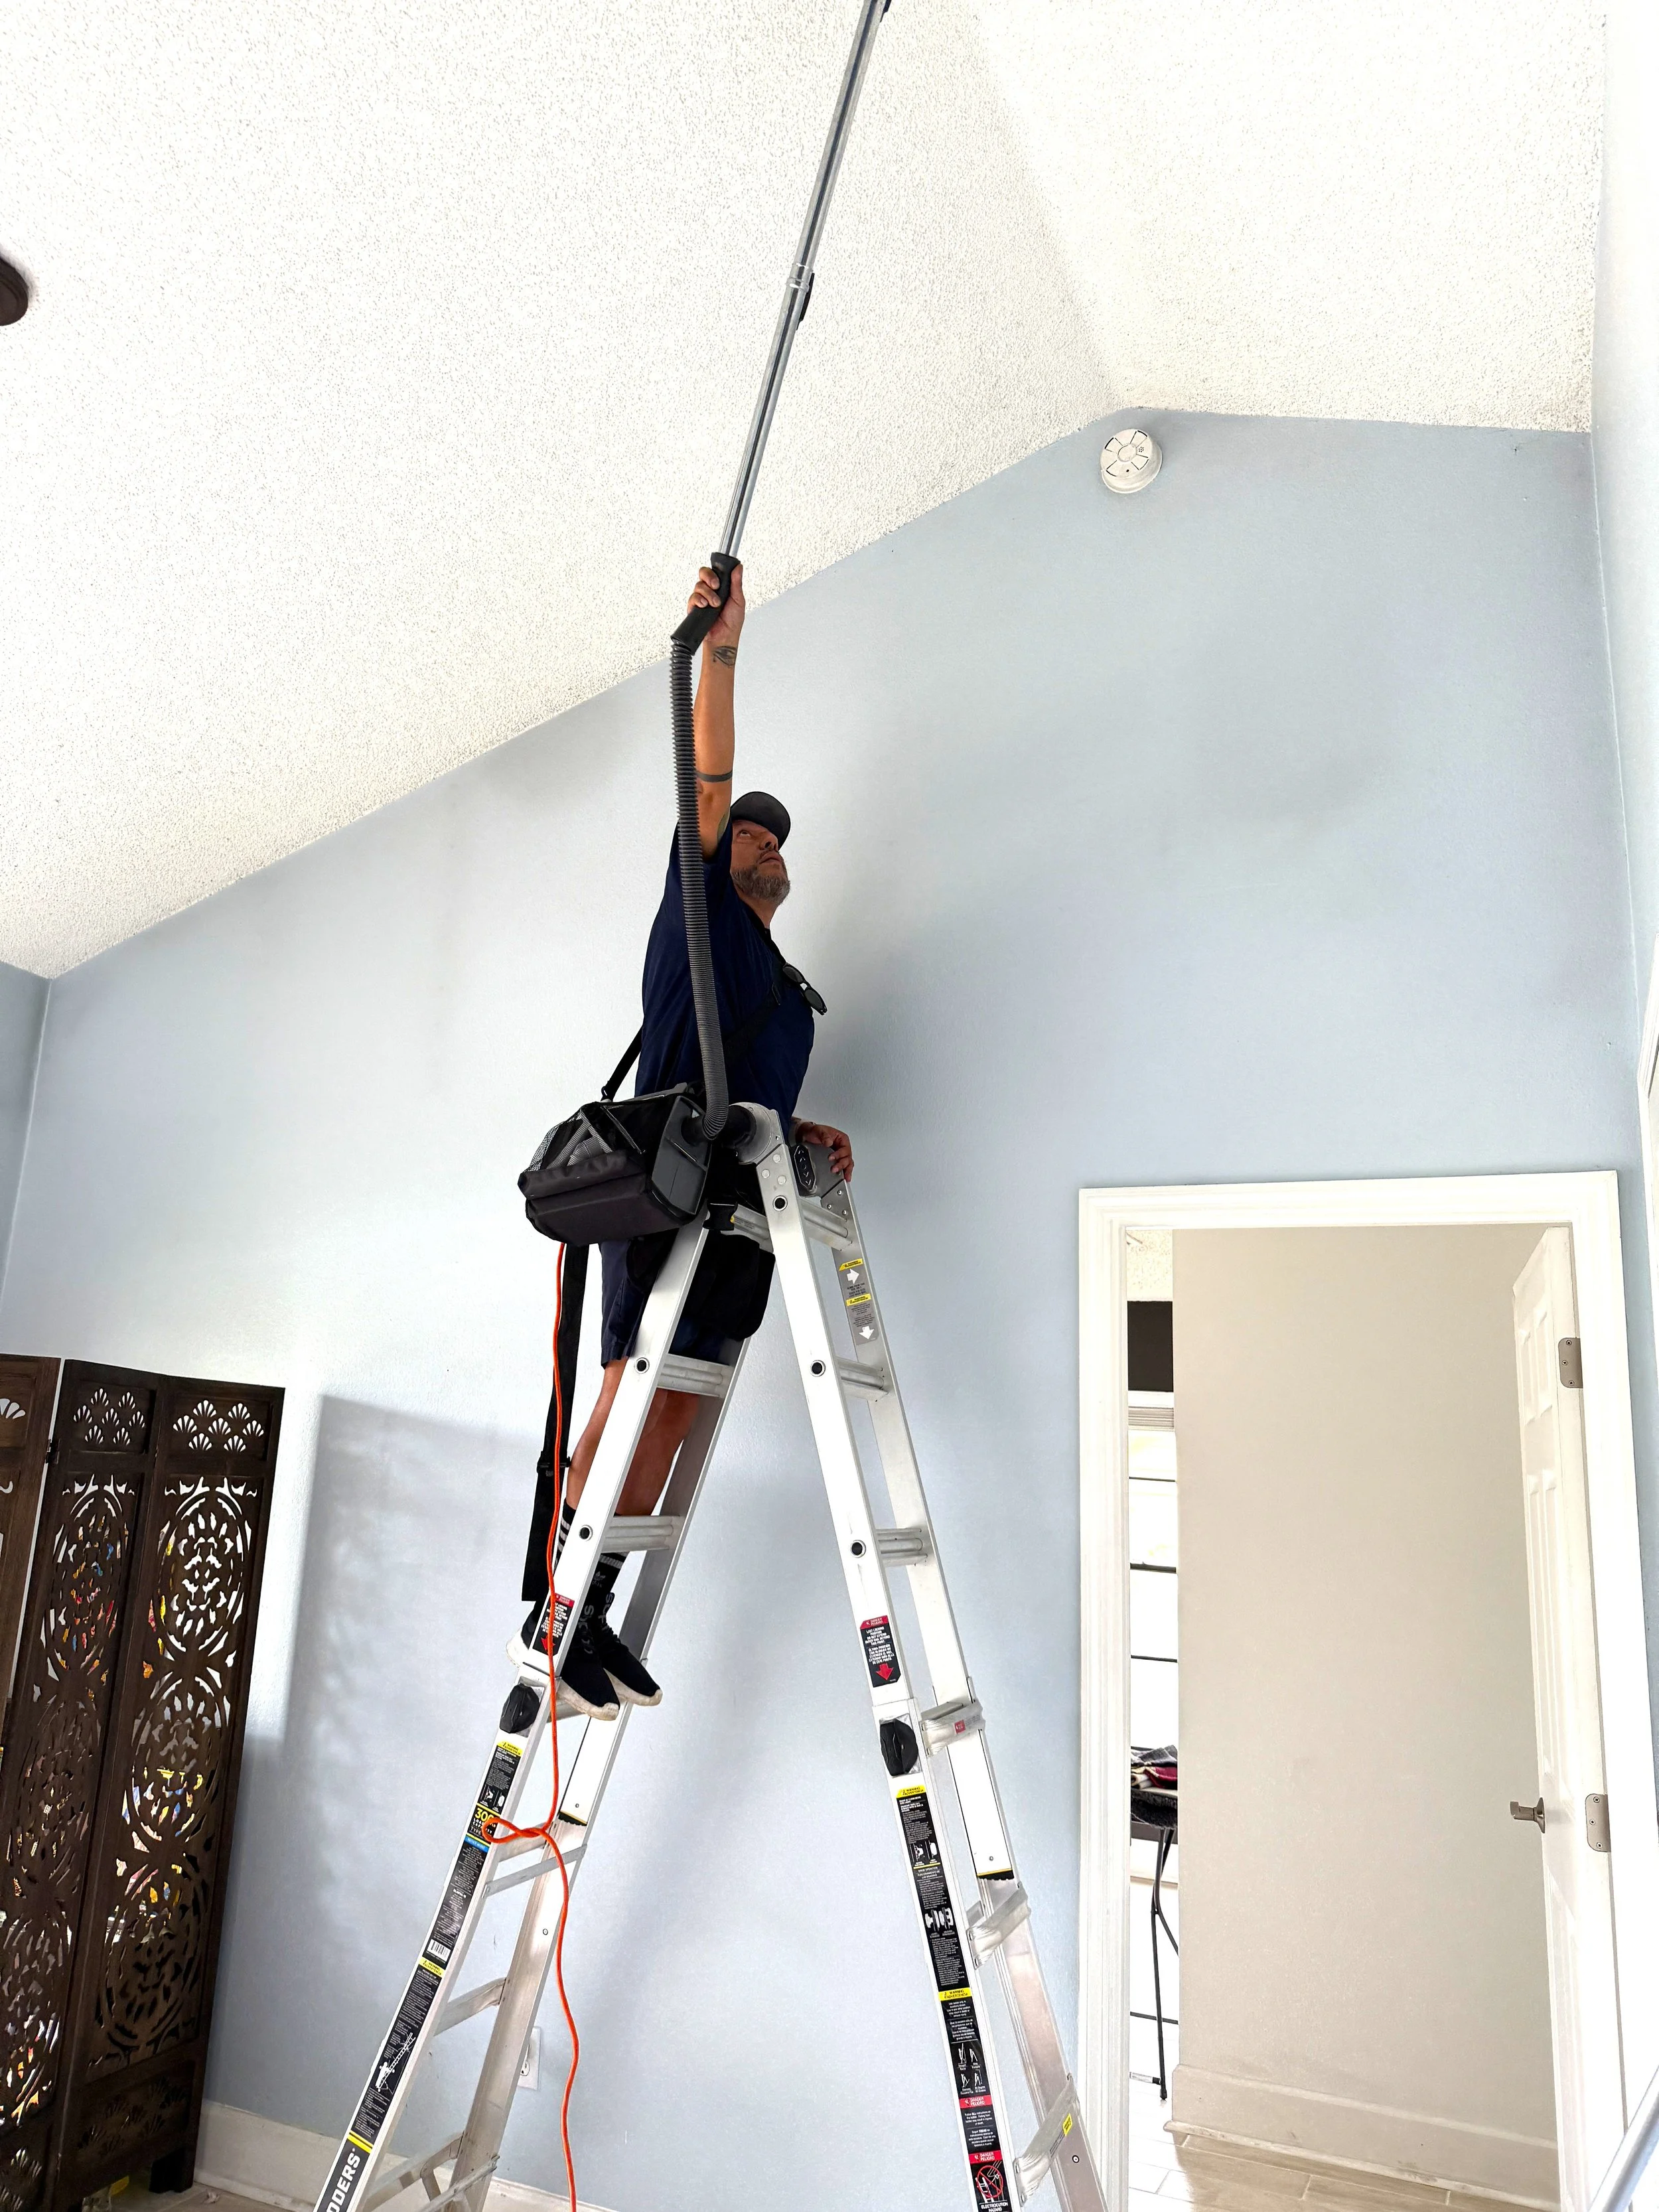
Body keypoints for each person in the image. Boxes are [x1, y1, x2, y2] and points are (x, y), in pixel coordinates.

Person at [512, 559, 853, 1718]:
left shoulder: (783, 978)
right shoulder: (697, 918)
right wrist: (723, 650)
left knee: (680, 1404)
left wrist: (799, 1126)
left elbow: (750, 1074)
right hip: (672, 1190)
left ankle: (596, 1598)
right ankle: (557, 1600)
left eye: (770, 835)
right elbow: (705, 779)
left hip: (742, 1213)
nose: (762, 837)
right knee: (629, 1385)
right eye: (750, 830)